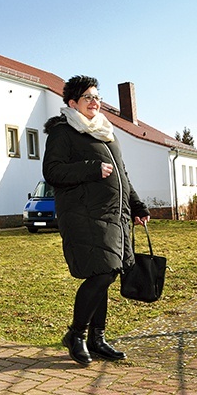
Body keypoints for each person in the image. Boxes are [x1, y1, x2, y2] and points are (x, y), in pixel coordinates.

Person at [42, 75, 150, 366]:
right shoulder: (63, 132)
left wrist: (137, 205)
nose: (94, 101)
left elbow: (122, 175)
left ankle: (97, 338)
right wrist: (90, 168)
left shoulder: (105, 132)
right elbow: (52, 172)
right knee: (103, 273)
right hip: (83, 215)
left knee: (106, 273)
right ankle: (76, 334)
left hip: (114, 215)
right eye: (87, 97)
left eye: (96, 96)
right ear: (72, 103)